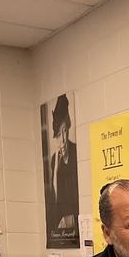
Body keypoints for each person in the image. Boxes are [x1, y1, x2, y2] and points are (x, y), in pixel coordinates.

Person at [45, 94, 79, 240]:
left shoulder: (76, 153)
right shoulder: (54, 160)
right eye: (59, 134)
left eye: (65, 131)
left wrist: (73, 217)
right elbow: (55, 198)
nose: (63, 139)